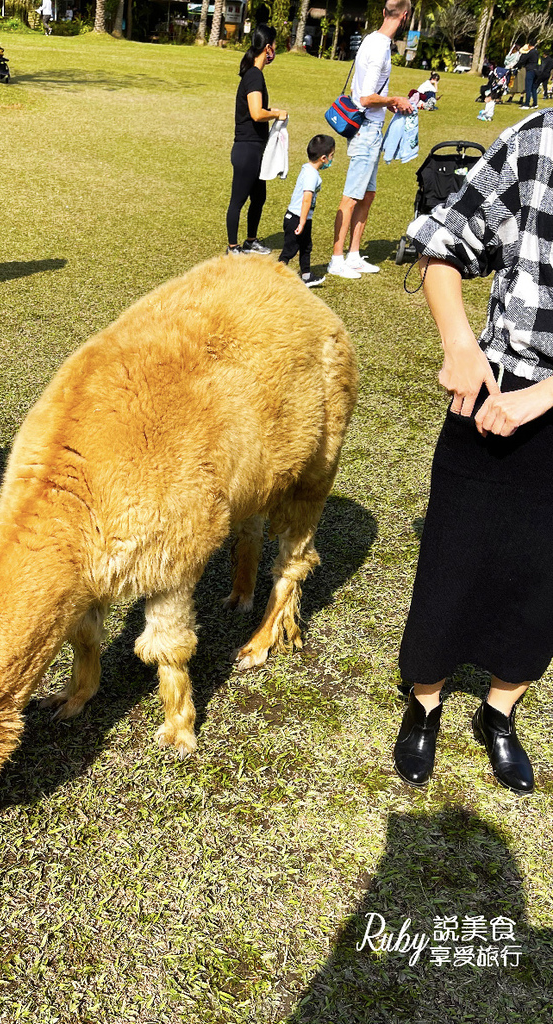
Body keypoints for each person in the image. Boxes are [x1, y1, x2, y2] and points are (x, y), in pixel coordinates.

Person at [392, 110, 553, 797]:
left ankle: (499, 712)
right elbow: (440, 243)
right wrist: (459, 344)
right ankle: (424, 703)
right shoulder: (540, 140)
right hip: (491, 391)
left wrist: (543, 398)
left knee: (541, 583)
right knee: (451, 561)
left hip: (540, 399)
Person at [328, 0, 413, 280]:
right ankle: (336, 257)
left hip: (372, 129)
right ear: (404, 16)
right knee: (352, 196)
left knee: (367, 194)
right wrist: (394, 99)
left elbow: (367, 94)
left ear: (384, 13)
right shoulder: (379, 49)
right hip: (366, 132)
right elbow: (365, 98)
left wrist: (388, 104)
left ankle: (353, 255)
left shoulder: (372, 40)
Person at [225, 23, 287, 256]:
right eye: (275, 47)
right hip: (247, 149)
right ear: (268, 48)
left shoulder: (254, 75)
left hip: (255, 148)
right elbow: (256, 113)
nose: (275, 52)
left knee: (259, 197)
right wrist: (277, 113)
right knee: (238, 200)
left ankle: (251, 241)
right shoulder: (254, 76)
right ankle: (232, 248)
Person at [278, 134, 335, 287]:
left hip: (302, 218)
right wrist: (302, 222)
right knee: (289, 250)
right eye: (331, 156)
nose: (331, 160)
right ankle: (275, 275)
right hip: (297, 218)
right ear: (323, 158)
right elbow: (306, 199)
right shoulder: (311, 175)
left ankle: (306, 276)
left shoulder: (307, 168)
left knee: (306, 247)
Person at [517, 39, 540, 109]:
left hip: (530, 70)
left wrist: (516, 66)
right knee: (533, 88)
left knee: (528, 87)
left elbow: (523, 60)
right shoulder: (537, 52)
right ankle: (535, 103)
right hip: (536, 70)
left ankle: (526, 104)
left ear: (529, 45)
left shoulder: (530, 53)